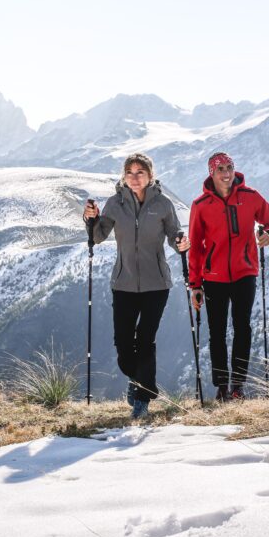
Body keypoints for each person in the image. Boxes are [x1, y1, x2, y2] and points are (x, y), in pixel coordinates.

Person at [84, 153, 189, 418]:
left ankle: (143, 395)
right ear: (124, 176)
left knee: (145, 340)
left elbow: (174, 236)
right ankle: (143, 382)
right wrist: (91, 219)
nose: (134, 177)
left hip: (157, 284)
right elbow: (97, 237)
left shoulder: (163, 204)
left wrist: (180, 244)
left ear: (150, 176)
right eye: (129, 172)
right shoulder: (115, 204)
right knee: (122, 343)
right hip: (123, 283)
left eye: (140, 172)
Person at [188, 152, 269, 402]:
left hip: (244, 273)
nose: (226, 173)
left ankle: (238, 386)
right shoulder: (200, 205)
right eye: (220, 169)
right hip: (214, 277)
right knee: (217, 332)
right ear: (212, 173)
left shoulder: (250, 197)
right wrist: (195, 285)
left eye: (229, 167)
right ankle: (221, 386)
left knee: (242, 329)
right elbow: (195, 247)